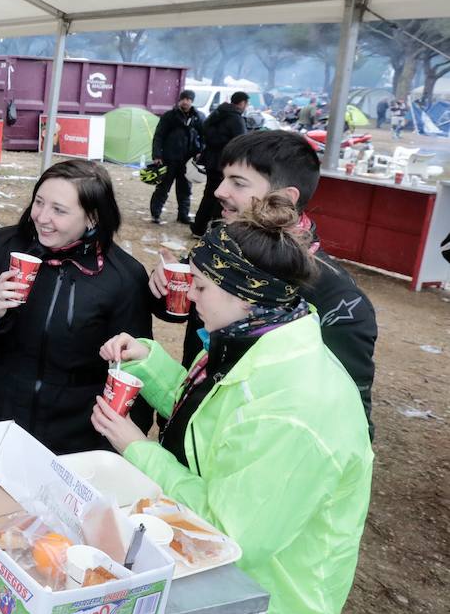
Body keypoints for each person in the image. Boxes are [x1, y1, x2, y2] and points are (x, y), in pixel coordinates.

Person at [93, 196, 372, 614]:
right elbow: (214, 421)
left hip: (258, 611)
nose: (190, 295)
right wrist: (150, 362)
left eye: (202, 286)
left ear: (246, 295)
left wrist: (136, 449)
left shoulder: (295, 407)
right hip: (217, 587)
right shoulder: (255, 338)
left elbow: (231, 529)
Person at [149, 131, 377, 432]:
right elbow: (184, 316)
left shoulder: (337, 300)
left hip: (251, 453)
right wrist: (164, 286)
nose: (218, 191)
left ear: (284, 198)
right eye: (223, 177)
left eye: (238, 183)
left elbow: (348, 416)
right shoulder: (221, 248)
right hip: (189, 427)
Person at [0, 159, 153, 452]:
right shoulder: (3, 246)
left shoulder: (123, 277)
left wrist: (117, 449)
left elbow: (135, 371)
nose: (41, 217)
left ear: (92, 217)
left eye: (59, 210)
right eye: (39, 202)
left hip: (74, 434)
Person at [191, 91, 248, 235]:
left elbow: (204, 132)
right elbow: (242, 142)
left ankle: (198, 228)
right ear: (242, 103)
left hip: (211, 161)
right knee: (221, 198)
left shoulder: (216, 114)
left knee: (209, 195)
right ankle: (214, 231)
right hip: (225, 163)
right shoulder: (235, 118)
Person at [149, 90, 203, 225]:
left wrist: (201, 152)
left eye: (188, 99)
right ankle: (156, 214)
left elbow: (204, 137)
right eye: (183, 99)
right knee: (163, 188)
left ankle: (183, 215)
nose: (185, 102)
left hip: (188, 161)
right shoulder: (170, 116)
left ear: (192, 101)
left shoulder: (198, 117)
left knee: (185, 189)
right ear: (179, 100)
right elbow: (159, 136)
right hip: (169, 158)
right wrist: (157, 155)